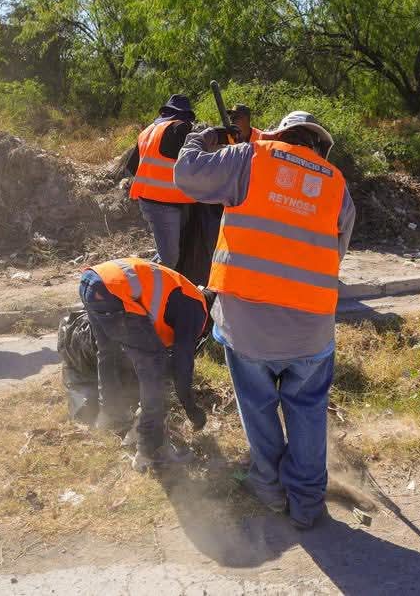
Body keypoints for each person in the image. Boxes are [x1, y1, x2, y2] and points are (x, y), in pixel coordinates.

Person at [175, 111, 355, 530]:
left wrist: (203, 138)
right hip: (310, 328)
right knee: (307, 412)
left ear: (281, 134)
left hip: (247, 324)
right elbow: (337, 251)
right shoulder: (336, 183)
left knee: (258, 406)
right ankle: (306, 504)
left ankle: (270, 489)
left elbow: (187, 175)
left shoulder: (251, 156)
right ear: (320, 147)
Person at [79, 256, 212, 471]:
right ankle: (151, 451)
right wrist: (191, 409)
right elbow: (182, 366)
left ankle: (111, 415)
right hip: (115, 292)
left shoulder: (184, 291)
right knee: (155, 366)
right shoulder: (196, 309)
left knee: (108, 352)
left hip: (92, 279)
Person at [127, 94, 197, 268]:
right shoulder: (178, 128)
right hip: (163, 205)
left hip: (154, 201)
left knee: (171, 253)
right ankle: (139, 280)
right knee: (169, 259)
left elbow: (132, 167)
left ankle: (158, 282)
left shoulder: (148, 131)